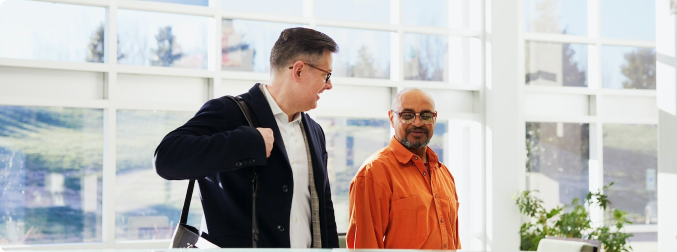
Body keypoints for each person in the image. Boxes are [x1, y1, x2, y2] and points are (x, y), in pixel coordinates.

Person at [154, 27, 339, 248]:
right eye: (325, 75)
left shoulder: (315, 131)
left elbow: (323, 212)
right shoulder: (229, 112)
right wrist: (247, 142)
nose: (329, 85)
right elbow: (166, 158)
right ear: (298, 71)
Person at [346, 88, 460, 249]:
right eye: (407, 115)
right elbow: (365, 246)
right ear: (392, 118)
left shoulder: (444, 175)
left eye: (426, 115)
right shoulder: (373, 173)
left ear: (434, 119)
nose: (418, 123)